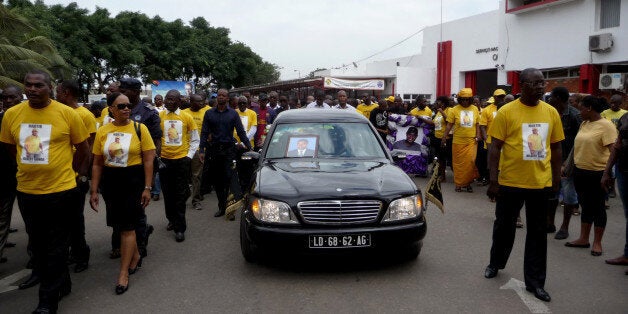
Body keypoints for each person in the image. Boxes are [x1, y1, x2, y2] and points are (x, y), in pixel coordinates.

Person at [0, 70, 90, 313]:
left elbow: (83, 149)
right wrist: (30, 170)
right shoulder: (12, 114)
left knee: (56, 245)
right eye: (28, 85)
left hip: (61, 191)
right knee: (38, 244)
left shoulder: (67, 114)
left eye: (38, 85)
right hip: (27, 191)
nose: (32, 89)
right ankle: (63, 282)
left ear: (50, 87)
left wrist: (76, 175)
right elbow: (11, 148)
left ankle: (47, 301)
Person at [484, 68, 564, 303]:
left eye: (543, 83)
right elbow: (495, 147)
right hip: (509, 182)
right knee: (504, 227)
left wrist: (555, 180)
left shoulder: (551, 112)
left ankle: (536, 282)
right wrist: (493, 180)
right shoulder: (507, 112)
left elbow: (557, 148)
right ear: (522, 85)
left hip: (540, 183)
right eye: (536, 83)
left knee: (538, 234)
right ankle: (495, 263)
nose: (541, 87)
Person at [90, 92, 155, 295]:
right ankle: (135, 256)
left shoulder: (140, 128)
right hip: (111, 182)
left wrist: (147, 187)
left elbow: (148, 160)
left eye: (128, 106)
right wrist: (94, 189)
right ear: (111, 109)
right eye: (121, 106)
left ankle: (123, 273)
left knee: (127, 227)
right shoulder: (103, 131)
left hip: (133, 181)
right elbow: (97, 162)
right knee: (119, 223)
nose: (127, 109)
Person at [565, 96, 617, 256]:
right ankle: (583, 238)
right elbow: (577, 147)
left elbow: (613, 151)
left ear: (589, 109)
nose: (579, 112)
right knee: (585, 206)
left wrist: (608, 174)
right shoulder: (584, 123)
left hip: (598, 173)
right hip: (581, 172)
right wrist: (568, 166)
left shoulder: (606, 126)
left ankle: (597, 242)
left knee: (598, 207)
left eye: (581, 109)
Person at [116, 77, 161, 258]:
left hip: (140, 169)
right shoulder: (116, 109)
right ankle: (124, 240)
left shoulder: (149, 112)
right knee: (121, 207)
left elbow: (157, 142)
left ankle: (140, 244)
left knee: (137, 208)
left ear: (134, 91)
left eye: (124, 89)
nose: (120, 92)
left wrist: (149, 170)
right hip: (119, 169)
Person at [56, 79, 97, 273]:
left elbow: (90, 148)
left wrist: (82, 175)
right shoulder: (59, 113)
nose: (55, 95)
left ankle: (81, 254)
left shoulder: (84, 115)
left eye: (57, 91)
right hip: (59, 177)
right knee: (61, 221)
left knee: (75, 219)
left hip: (76, 177)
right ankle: (67, 253)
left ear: (66, 93)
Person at [200, 89, 251, 218]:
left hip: (229, 151)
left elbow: (241, 132)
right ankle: (221, 207)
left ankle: (231, 208)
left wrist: (249, 146)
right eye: (219, 95)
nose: (221, 97)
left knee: (229, 179)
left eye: (223, 96)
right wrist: (202, 150)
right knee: (218, 181)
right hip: (214, 151)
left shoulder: (233, 114)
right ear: (217, 98)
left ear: (227, 98)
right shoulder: (209, 113)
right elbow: (204, 133)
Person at [158, 90, 199, 242]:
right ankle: (171, 219)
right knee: (167, 193)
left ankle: (180, 228)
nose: (169, 102)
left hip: (181, 160)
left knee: (179, 194)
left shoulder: (186, 117)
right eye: (167, 99)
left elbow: (195, 139)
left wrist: (188, 156)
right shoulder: (159, 116)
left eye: (173, 99)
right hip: (164, 161)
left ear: (179, 102)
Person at [547, 86, 582, 240]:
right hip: (551, 159)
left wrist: (567, 164)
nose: (549, 99)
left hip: (569, 161)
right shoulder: (550, 112)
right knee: (553, 192)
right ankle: (550, 222)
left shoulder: (575, 115)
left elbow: (579, 142)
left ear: (559, 98)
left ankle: (565, 227)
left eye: (552, 97)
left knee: (568, 195)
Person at [602, 110, 628, 268]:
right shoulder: (625, 118)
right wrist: (607, 172)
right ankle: (627, 255)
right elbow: (617, 146)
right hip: (624, 171)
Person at [442, 88, 480, 192]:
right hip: (458, 141)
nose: (465, 101)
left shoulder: (475, 109)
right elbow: (449, 125)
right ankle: (459, 184)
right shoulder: (454, 109)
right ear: (459, 99)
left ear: (471, 99)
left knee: (470, 162)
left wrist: (478, 135)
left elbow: (477, 124)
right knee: (458, 164)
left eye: (467, 99)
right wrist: (444, 137)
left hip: (471, 141)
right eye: (462, 99)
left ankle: (467, 183)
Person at [0, 85, 22, 264]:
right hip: (4, 177)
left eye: (12, 97)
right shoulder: (3, 118)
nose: (8, 101)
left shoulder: (27, 118)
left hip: (23, 177)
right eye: (5, 98)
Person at [182, 94, 209, 211]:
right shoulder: (183, 113)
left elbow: (207, 132)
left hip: (198, 150)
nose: (201, 104)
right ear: (191, 102)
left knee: (196, 176)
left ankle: (196, 200)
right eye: (198, 102)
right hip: (183, 149)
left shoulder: (205, 114)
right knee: (183, 176)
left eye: (202, 101)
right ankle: (184, 196)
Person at [600, 94, 626, 198]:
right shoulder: (605, 113)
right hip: (607, 142)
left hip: (619, 143)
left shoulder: (624, 114)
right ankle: (609, 186)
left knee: (615, 167)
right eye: (611, 102)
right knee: (608, 165)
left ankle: (612, 186)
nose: (612, 105)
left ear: (621, 103)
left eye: (615, 103)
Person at [234, 96, 258, 191]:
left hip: (247, 147)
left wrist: (244, 143)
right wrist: (236, 143)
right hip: (236, 146)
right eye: (240, 103)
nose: (242, 105)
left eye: (244, 103)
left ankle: (247, 188)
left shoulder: (252, 113)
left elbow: (253, 129)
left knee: (247, 166)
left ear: (248, 104)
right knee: (237, 167)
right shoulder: (234, 113)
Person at [431, 96, 451, 182]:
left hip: (446, 138)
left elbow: (449, 121)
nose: (436, 103)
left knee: (448, 158)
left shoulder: (449, 110)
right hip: (437, 138)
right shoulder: (438, 112)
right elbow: (434, 123)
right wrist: (421, 118)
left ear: (443, 103)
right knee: (440, 158)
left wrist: (442, 111)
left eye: (437, 102)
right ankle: (443, 176)